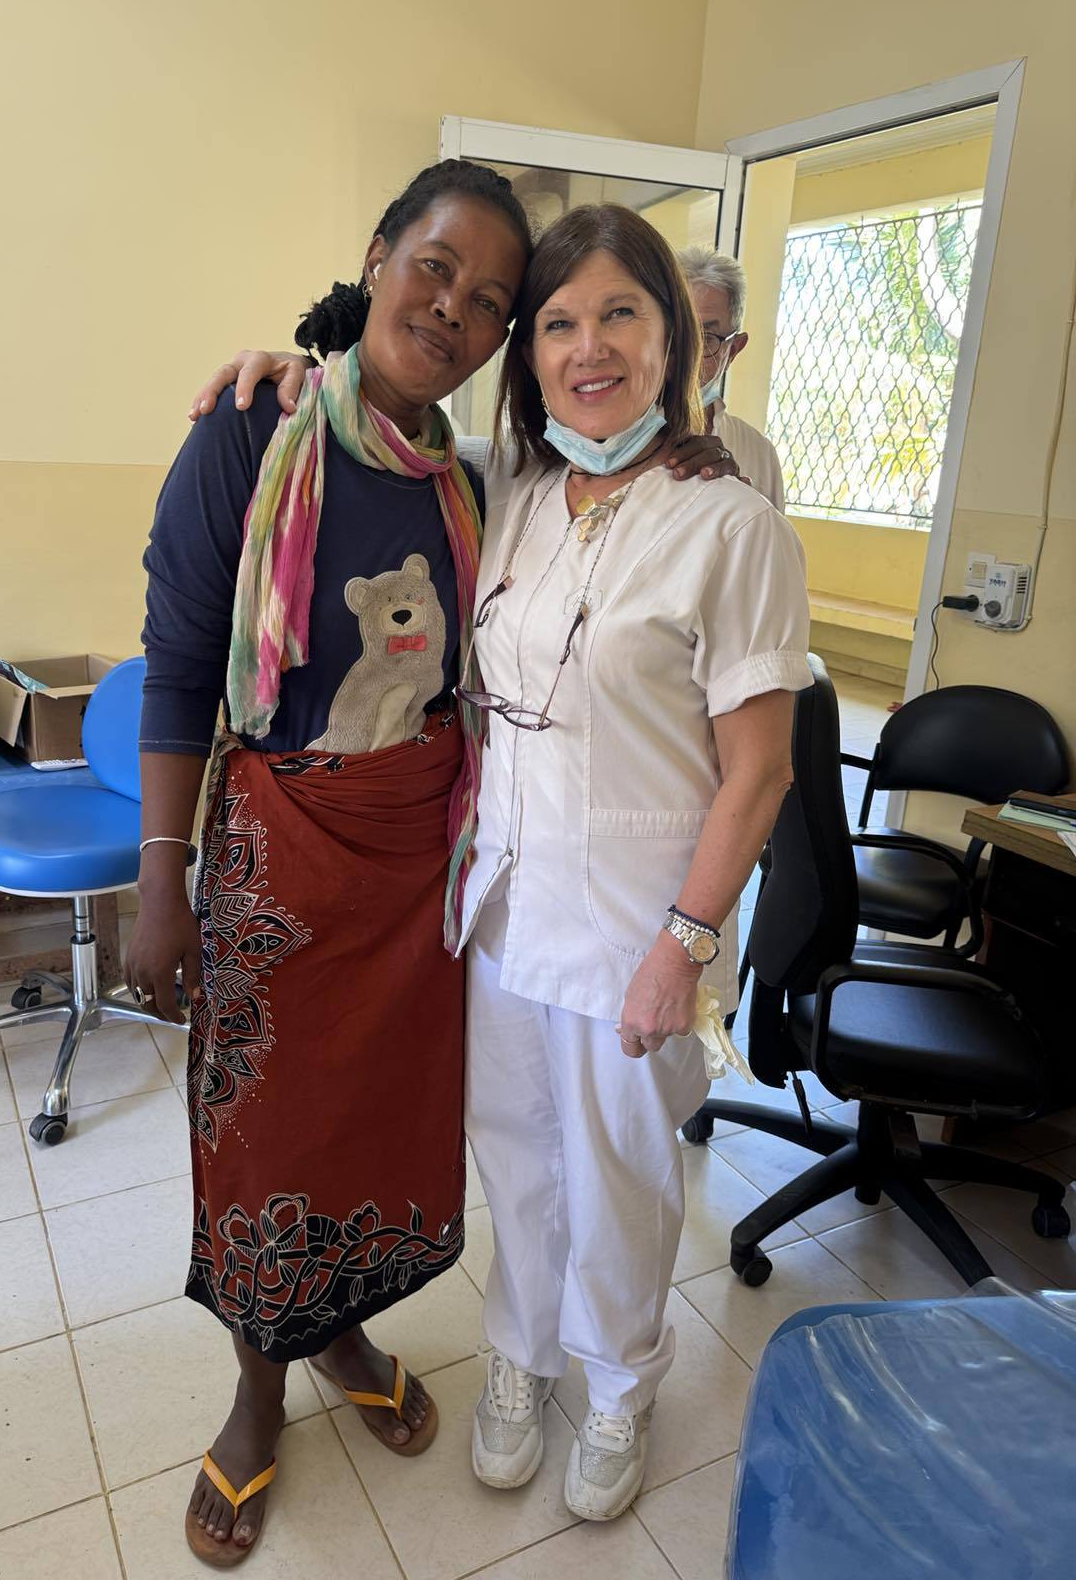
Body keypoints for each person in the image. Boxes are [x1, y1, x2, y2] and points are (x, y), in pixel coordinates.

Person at [194, 204, 811, 1523]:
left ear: (675, 337)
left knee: (625, 1178)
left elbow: (759, 771)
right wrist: (298, 370)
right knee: (520, 1161)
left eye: (621, 314)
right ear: (528, 355)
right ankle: (522, 1362)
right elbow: (374, 428)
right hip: (501, 909)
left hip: (639, 926)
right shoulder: (509, 495)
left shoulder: (732, 525)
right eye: (559, 323)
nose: (590, 348)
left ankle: (620, 1383)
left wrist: (686, 944)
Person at [127, 157, 533, 1568]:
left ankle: (345, 1328)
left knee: (378, 1124)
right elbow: (181, 663)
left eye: (491, 301)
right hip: (278, 858)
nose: (455, 309)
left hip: (416, 869)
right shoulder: (253, 433)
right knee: (267, 1142)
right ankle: (258, 1392)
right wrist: (161, 875)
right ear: (377, 258)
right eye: (436, 267)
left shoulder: (471, 490)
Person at [675, 244, 786, 510]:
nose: (685, 354)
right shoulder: (616, 442)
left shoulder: (757, 453)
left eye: (706, 338)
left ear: (733, 349)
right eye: (673, 333)